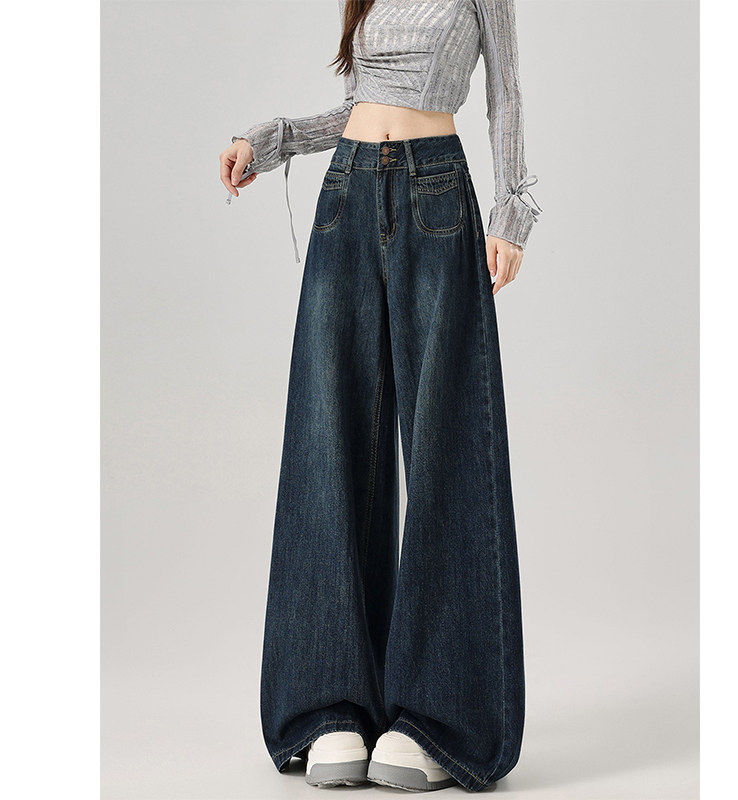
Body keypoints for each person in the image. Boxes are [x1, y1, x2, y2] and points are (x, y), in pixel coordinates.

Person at [218, 0, 540, 791]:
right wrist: (270, 139)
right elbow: (360, 106)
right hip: (347, 196)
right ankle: (330, 703)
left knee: (447, 445)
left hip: (437, 195)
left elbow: (505, 92)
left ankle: (438, 715)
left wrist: (511, 210)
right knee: (327, 438)